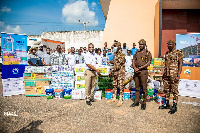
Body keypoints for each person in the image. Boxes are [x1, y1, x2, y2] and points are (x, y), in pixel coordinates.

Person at [159, 40, 183, 114]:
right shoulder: (167, 53)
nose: (169, 45)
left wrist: (178, 75)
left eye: (170, 44)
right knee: (166, 89)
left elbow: (180, 64)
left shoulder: (178, 53)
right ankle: (167, 103)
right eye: (168, 44)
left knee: (174, 90)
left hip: (174, 75)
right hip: (166, 74)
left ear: (174, 45)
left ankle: (175, 105)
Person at [130, 39, 152, 110]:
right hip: (136, 71)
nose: (140, 46)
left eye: (142, 44)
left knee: (144, 88)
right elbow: (133, 60)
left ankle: (144, 103)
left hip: (143, 72)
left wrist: (140, 68)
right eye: (139, 44)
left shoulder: (148, 53)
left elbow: (148, 63)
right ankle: (136, 101)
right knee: (137, 87)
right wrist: (135, 68)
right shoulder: (137, 52)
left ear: (145, 45)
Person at [107, 42, 125, 107]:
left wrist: (111, 70)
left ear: (119, 47)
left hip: (120, 72)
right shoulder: (116, 54)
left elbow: (118, 65)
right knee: (114, 85)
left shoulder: (122, 54)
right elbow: (115, 61)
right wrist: (110, 61)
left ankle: (121, 99)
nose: (114, 48)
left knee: (120, 86)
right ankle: (114, 97)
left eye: (115, 46)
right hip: (115, 72)